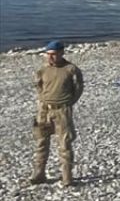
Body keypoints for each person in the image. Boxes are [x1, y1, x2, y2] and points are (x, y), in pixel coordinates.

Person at [30, 41, 84, 187]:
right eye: (48, 55)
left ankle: (67, 177)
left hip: (62, 111)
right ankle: (39, 174)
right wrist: (43, 100)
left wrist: (69, 102)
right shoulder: (42, 70)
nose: (50, 58)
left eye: (53, 54)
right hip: (44, 110)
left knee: (64, 144)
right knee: (41, 142)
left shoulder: (71, 69)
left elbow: (78, 88)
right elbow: (39, 86)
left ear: (61, 53)